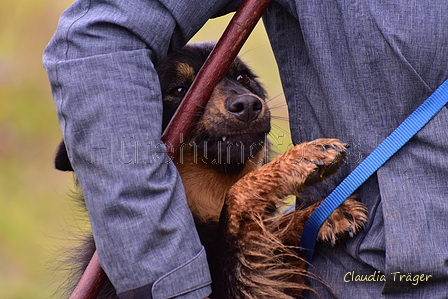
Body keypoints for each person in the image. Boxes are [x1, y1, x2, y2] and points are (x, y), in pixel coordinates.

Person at [44, 0, 448, 298]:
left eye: (242, 79)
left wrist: (285, 227)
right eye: (180, 90)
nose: (243, 100)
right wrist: (250, 201)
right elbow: (100, 35)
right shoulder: (143, 267)